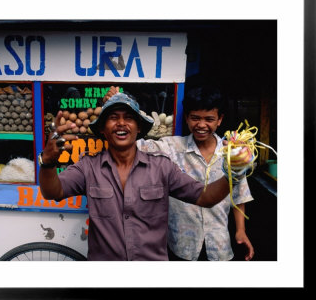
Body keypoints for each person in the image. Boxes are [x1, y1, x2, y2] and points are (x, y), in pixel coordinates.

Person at [38, 92, 252, 261]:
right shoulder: (88, 167)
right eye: (113, 118)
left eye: (129, 118)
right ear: (103, 129)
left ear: (139, 128)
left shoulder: (162, 167)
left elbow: (206, 198)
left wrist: (234, 172)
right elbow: (52, 192)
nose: (121, 123)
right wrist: (47, 163)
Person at [104, 85, 255, 261]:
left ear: (219, 120)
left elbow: (239, 194)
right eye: (195, 118)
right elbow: (133, 145)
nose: (201, 125)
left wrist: (240, 231)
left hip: (219, 247)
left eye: (209, 119)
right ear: (186, 118)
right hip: (181, 246)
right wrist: (116, 107)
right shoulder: (171, 147)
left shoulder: (231, 152)